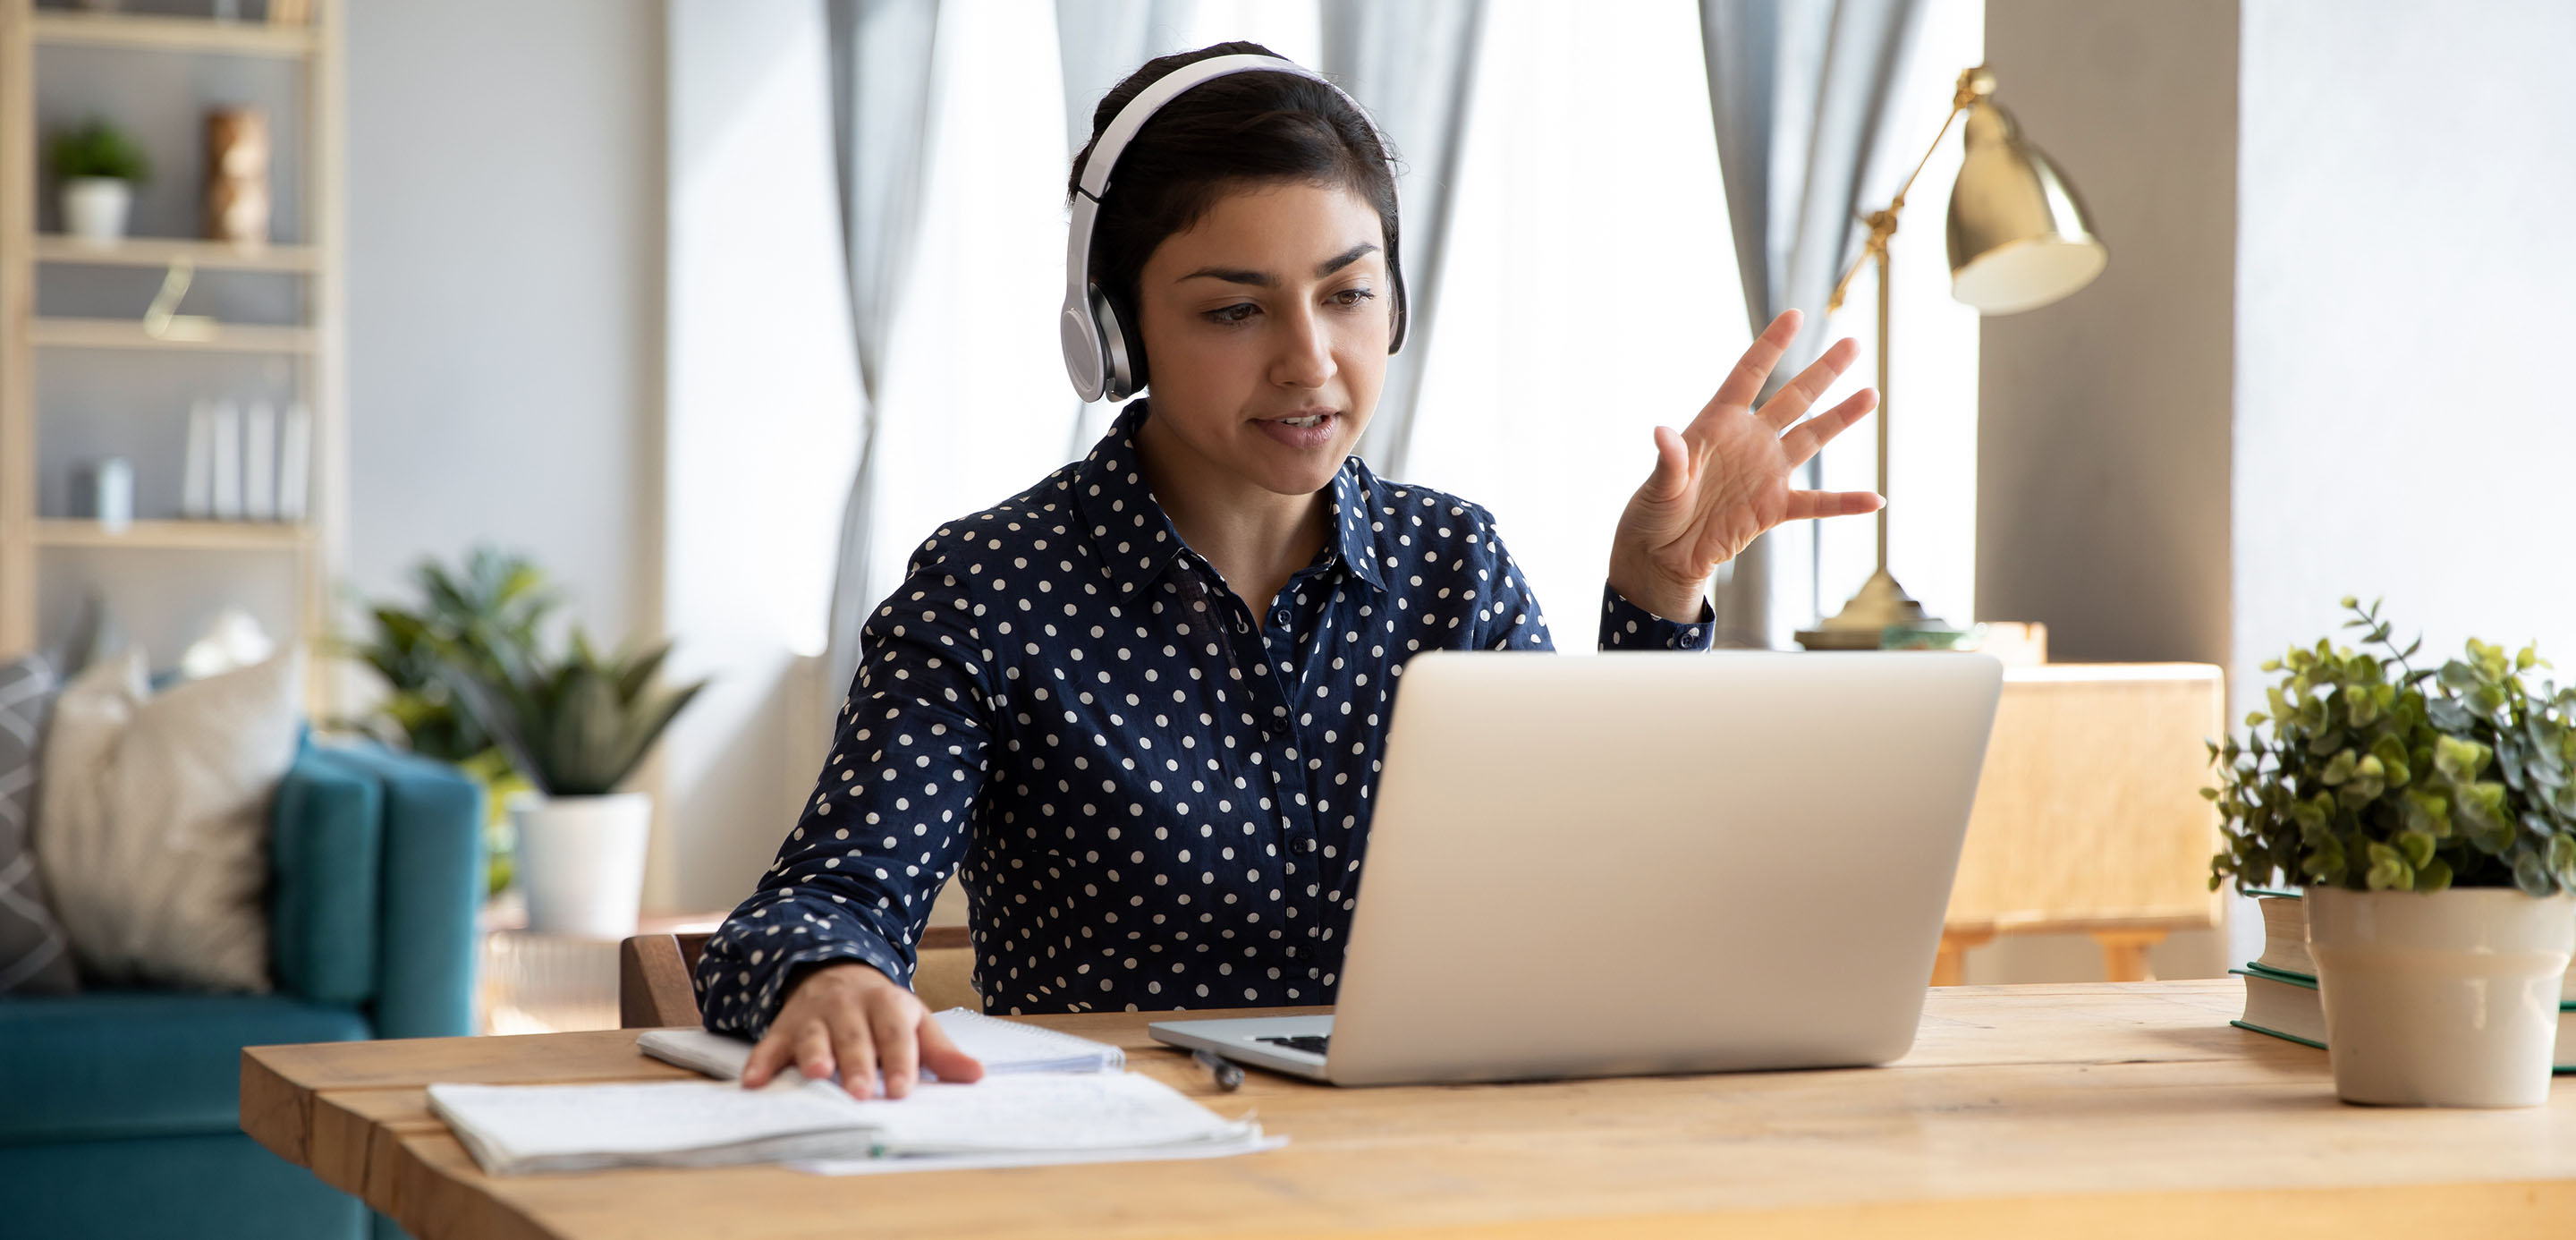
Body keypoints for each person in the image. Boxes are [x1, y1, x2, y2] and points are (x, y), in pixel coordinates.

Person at [694, 41, 1882, 1099]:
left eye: (1349, 292)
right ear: (1115, 332)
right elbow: (811, 906)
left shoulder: (1451, 566)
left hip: (1437, 1171)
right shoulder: (993, 586)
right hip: (1114, 1174)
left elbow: (1617, 900)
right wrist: (836, 973)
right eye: (1232, 311)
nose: (1310, 360)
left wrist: (1657, 598)